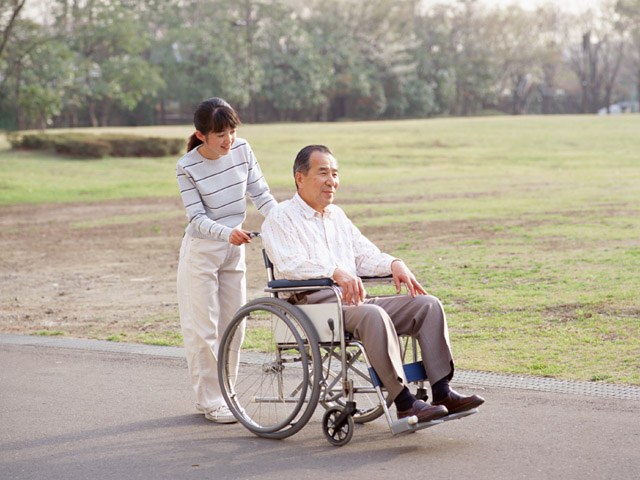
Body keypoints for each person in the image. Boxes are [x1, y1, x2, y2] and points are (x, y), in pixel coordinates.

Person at [261, 145, 484, 423]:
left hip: (352, 303)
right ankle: (404, 402)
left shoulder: (337, 217)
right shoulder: (280, 217)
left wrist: (394, 264)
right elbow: (290, 265)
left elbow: (365, 255)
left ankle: (442, 391)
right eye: (323, 173)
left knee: (428, 306)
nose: (332, 181)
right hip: (314, 305)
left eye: (335, 173)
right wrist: (335, 272)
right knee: (373, 314)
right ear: (299, 178)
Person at [176, 97, 276, 423]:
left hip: (235, 248)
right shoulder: (186, 167)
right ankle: (210, 400)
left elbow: (261, 194)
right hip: (202, 252)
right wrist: (226, 233)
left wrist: (284, 222)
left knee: (236, 325)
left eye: (232, 130)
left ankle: (225, 394)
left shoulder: (243, 151)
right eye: (220, 134)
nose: (228, 140)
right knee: (203, 330)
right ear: (201, 134)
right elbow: (195, 218)